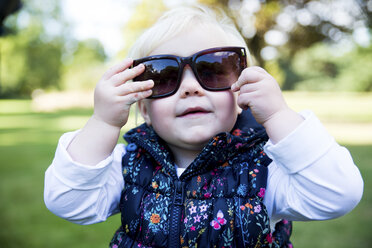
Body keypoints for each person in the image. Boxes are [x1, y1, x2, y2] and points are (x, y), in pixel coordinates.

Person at [44, 5, 363, 248]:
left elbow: (337, 195)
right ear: (144, 107)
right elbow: (68, 202)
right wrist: (102, 122)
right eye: (164, 76)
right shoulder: (129, 166)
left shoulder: (266, 170)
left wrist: (279, 115)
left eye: (213, 69)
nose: (190, 87)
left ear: (241, 91)